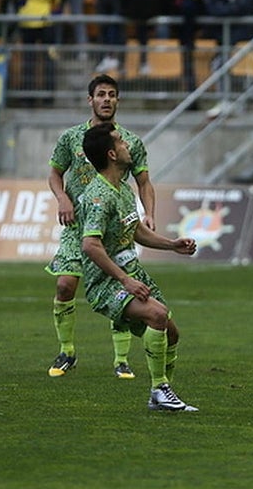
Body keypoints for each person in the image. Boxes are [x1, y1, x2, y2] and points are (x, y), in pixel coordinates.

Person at [78, 122, 198, 412]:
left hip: (132, 273)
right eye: (120, 142)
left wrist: (171, 245)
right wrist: (125, 280)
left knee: (171, 333)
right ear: (111, 154)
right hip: (106, 283)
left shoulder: (122, 188)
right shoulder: (99, 196)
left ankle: (162, 395)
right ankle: (159, 390)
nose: (127, 145)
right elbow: (90, 245)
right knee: (157, 315)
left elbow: (134, 230)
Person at [46, 74, 159, 381]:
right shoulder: (71, 137)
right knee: (64, 284)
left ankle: (121, 360)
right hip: (76, 225)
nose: (106, 99)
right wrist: (62, 199)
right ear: (90, 100)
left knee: (120, 287)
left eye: (111, 94)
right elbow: (55, 174)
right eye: (101, 94)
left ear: (118, 100)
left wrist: (149, 214)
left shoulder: (130, 142)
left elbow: (144, 182)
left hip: (113, 229)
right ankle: (67, 351)